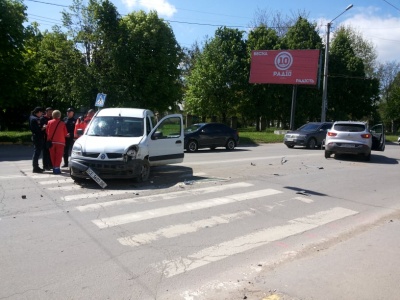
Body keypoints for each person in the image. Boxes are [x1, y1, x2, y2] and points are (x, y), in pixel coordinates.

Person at [46, 110, 68, 174]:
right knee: (59, 156)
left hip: (51, 142)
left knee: (52, 155)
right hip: (60, 142)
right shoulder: (62, 123)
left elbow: (47, 131)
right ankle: (57, 168)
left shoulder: (49, 122)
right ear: (59, 115)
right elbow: (65, 134)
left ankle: (54, 168)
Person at [29, 106, 46, 173]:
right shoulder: (35, 119)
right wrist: (43, 128)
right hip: (38, 137)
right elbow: (37, 130)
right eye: (41, 113)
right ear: (38, 112)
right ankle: (35, 167)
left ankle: (36, 167)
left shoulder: (31, 117)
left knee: (37, 152)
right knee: (37, 152)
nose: (41, 114)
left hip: (35, 136)